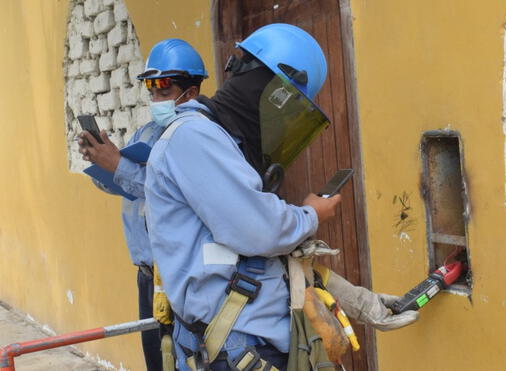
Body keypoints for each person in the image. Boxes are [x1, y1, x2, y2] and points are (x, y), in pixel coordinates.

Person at [143, 24, 418, 371]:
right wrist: (311, 214)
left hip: (247, 343)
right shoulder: (195, 137)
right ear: (276, 94)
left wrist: (363, 303)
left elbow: (260, 254)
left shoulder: (217, 140)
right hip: (235, 347)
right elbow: (260, 232)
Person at [77, 38, 209, 371]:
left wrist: (117, 165)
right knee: (156, 359)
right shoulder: (148, 132)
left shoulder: (196, 135)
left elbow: (172, 193)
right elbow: (125, 184)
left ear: (189, 94)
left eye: (163, 91)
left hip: (180, 276)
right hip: (148, 274)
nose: (155, 100)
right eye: (151, 91)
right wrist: (101, 161)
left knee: (184, 360)